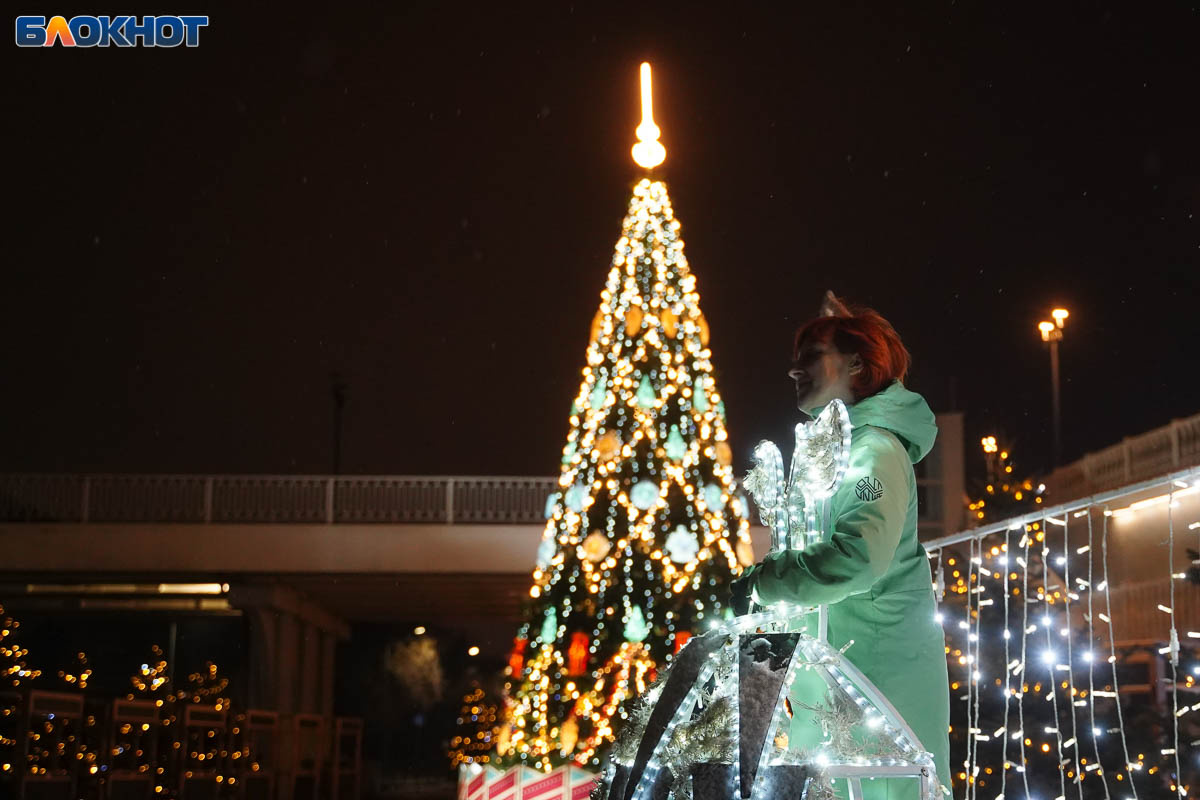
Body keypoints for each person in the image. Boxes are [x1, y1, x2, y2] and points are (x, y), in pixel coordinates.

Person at [730, 294, 952, 798]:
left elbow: (857, 558)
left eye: (810, 356)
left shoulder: (874, 451)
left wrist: (765, 581)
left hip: (874, 682)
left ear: (857, 364)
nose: (794, 370)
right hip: (837, 679)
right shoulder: (843, 450)